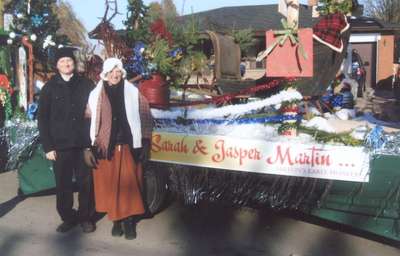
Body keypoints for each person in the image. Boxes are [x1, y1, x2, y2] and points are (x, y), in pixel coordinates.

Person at [83, 58, 153, 240]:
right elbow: (88, 120)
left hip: (128, 145)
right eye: (112, 71)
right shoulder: (96, 94)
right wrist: (87, 146)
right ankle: (116, 221)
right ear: (105, 74)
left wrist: (145, 140)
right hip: (106, 147)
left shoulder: (132, 92)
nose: (116, 74)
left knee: (129, 186)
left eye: (118, 71)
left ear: (122, 73)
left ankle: (128, 221)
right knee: (111, 186)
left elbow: (145, 114)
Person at [37, 47, 96, 233]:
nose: (66, 64)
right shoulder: (49, 88)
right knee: (63, 185)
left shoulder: (86, 84)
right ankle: (67, 217)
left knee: (85, 183)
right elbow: (43, 118)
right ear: (57, 65)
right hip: (60, 145)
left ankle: (86, 217)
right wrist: (48, 146)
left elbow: (96, 109)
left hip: (83, 144)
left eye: (69, 60)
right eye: (62, 61)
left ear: (74, 63)